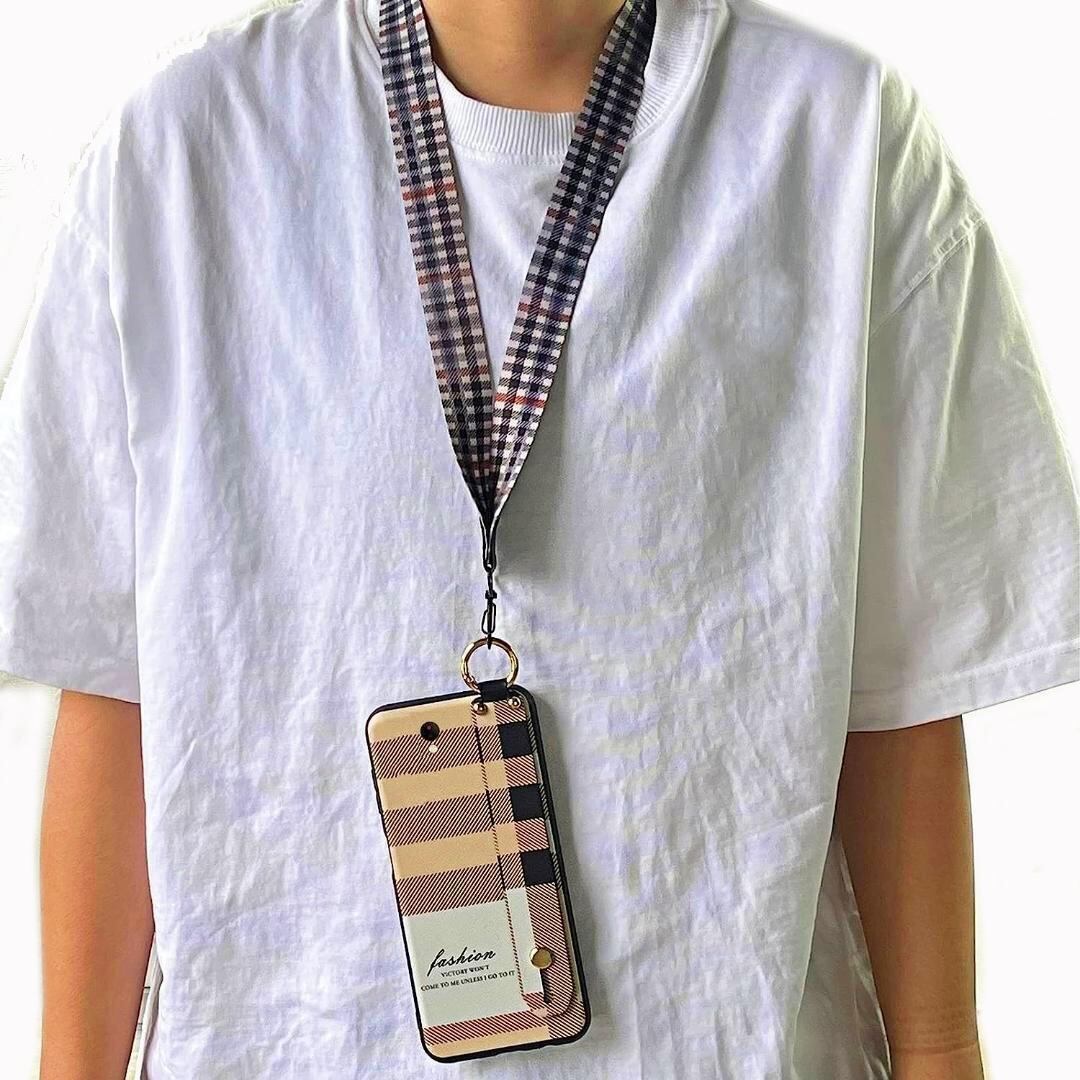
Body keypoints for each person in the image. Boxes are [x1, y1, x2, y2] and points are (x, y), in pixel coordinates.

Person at [1, 0, 1077, 1077]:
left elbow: (899, 698)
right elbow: (116, 687)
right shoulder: (181, 151)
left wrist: (944, 1052)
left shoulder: (843, 141)